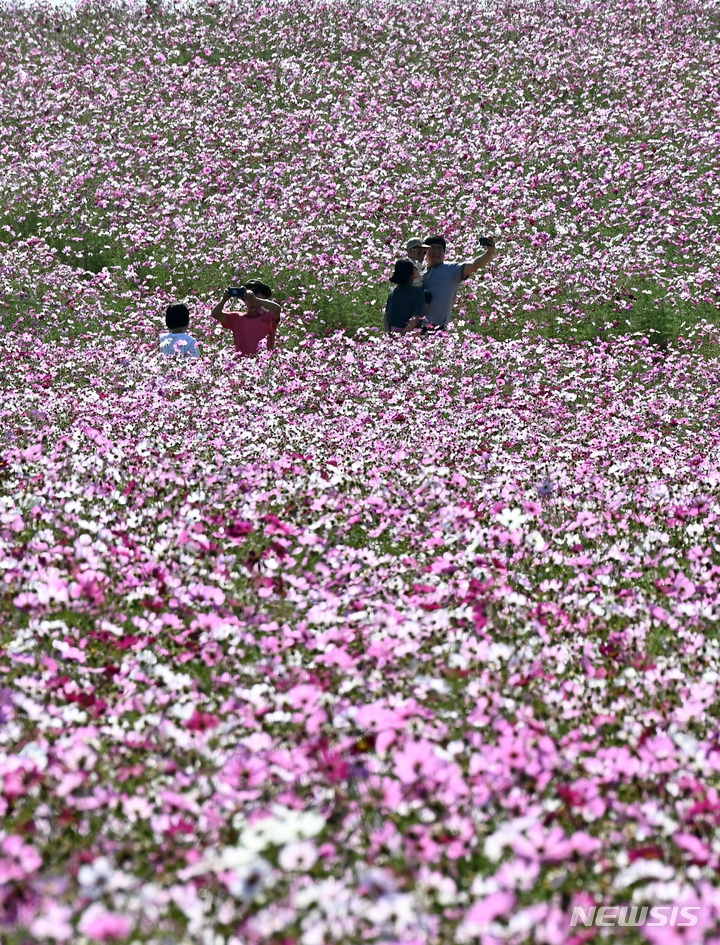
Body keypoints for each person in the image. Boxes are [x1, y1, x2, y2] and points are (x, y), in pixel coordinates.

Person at [422, 235, 496, 329]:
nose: (436, 252)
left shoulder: (451, 269)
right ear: (425, 251)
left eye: (440, 248)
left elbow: (474, 265)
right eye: (432, 248)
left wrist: (489, 252)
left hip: (438, 327)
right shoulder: (420, 272)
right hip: (417, 326)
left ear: (444, 252)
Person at [211, 280, 281, 355]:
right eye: (246, 294)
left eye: (255, 292)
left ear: (264, 296)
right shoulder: (237, 318)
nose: (251, 297)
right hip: (242, 364)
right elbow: (216, 314)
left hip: (264, 363)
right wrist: (224, 299)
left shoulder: (269, 317)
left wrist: (255, 299)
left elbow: (277, 308)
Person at [385, 258, 429, 335]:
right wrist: (402, 335)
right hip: (409, 335)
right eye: (415, 268)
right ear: (410, 273)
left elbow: (386, 317)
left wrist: (389, 334)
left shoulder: (393, 292)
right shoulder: (418, 292)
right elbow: (415, 319)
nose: (417, 269)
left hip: (392, 333)